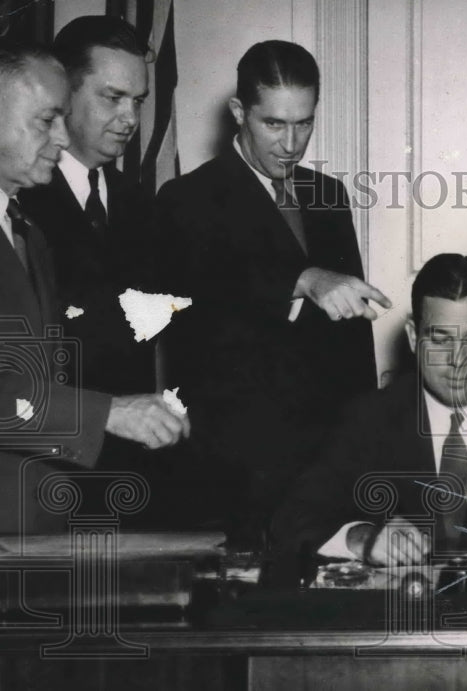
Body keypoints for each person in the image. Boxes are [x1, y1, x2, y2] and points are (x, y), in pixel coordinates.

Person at [153, 41, 390, 541]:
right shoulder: (187, 198)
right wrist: (303, 280)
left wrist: (368, 442)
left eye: (304, 123)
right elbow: (202, 296)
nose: (291, 144)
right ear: (240, 112)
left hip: (326, 467)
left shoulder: (328, 195)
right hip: (234, 470)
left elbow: (353, 333)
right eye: (274, 124)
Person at [270, 254, 467, 584]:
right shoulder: (369, 417)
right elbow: (290, 519)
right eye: (440, 339)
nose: (457, 360)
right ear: (412, 336)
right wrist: (363, 539)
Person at [0, 41, 188, 534]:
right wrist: (108, 412)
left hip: (41, 509)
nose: (62, 137)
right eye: (47, 120)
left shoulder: (24, 231)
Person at [20, 16, 154, 395]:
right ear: (65, 92)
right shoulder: (19, 197)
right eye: (113, 98)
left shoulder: (140, 201)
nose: (130, 119)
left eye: (138, 101)